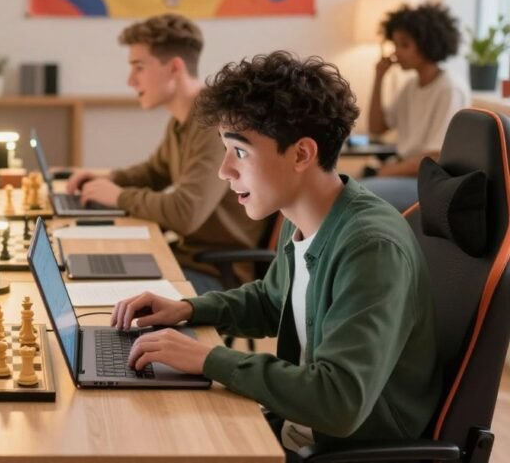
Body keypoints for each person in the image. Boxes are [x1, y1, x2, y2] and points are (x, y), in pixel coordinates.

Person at [112, 51, 440, 458]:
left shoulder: (370, 247)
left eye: (240, 152)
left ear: (302, 154)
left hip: (335, 448)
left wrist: (210, 358)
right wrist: (187, 310)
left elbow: (339, 402)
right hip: (296, 429)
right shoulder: (303, 216)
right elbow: (272, 300)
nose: (225, 170)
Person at [65, 13, 266, 293]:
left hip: (217, 276)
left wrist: (118, 196)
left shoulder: (213, 125)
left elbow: (186, 212)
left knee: (95, 288)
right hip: (186, 258)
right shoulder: (183, 119)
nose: (130, 81)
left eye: (139, 67)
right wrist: (107, 178)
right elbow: (155, 172)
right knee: (82, 269)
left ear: (174, 67)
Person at [364, 2, 467, 211]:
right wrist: (379, 77)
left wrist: (384, 172)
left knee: (352, 198)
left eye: (404, 45)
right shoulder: (411, 86)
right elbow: (376, 128)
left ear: (427, 44)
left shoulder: (449, 89)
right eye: (395, 44)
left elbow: (435, 156)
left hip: (428, 182)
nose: (396, 52)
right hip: (404, 172)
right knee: (338, 191)